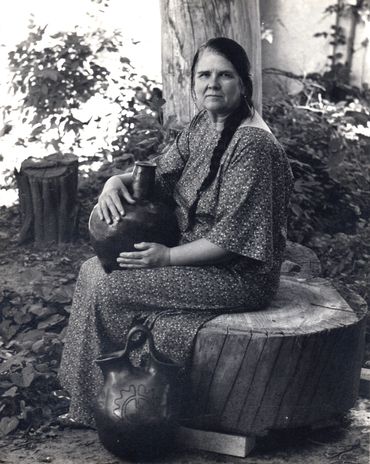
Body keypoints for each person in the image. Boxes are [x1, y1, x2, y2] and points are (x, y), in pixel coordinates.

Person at [59, 37, 293, 427]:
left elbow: (231, 240)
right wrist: (115, 182)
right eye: (204, 75)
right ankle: (88, 400)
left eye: (225, 75)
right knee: (92, 270)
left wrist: (165, 258)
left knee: (113, 287)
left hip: (237, 276)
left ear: (244, 84)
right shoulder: (204, 124)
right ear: (193, 82)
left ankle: (130, 408)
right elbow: (160, 178)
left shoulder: (252, 145)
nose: (212, 84)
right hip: (192, 256)